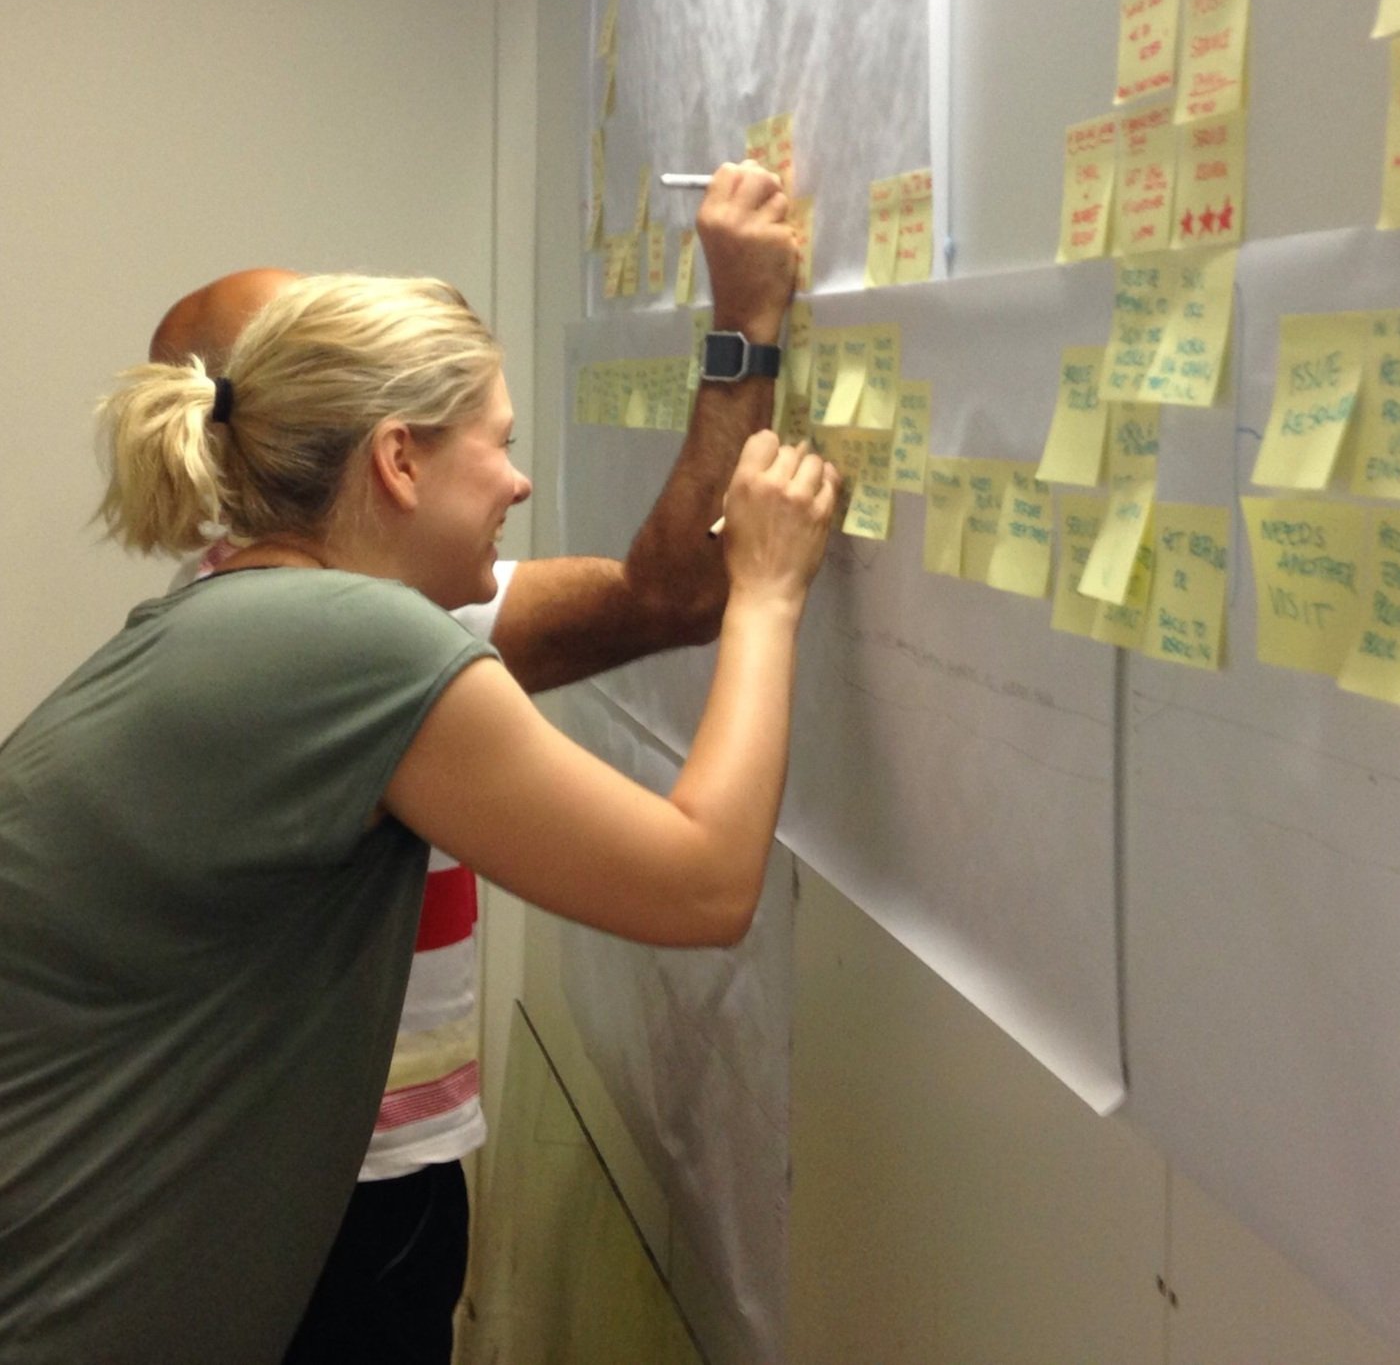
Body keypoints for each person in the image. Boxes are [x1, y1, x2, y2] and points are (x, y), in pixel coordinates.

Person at [0, 170, 839, 1365]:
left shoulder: (264, 612)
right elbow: (700, 883)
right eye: (498, 444)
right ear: (397, 458)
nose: (519, 482)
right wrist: (766, 593)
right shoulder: (352, 642)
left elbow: (658, 597)